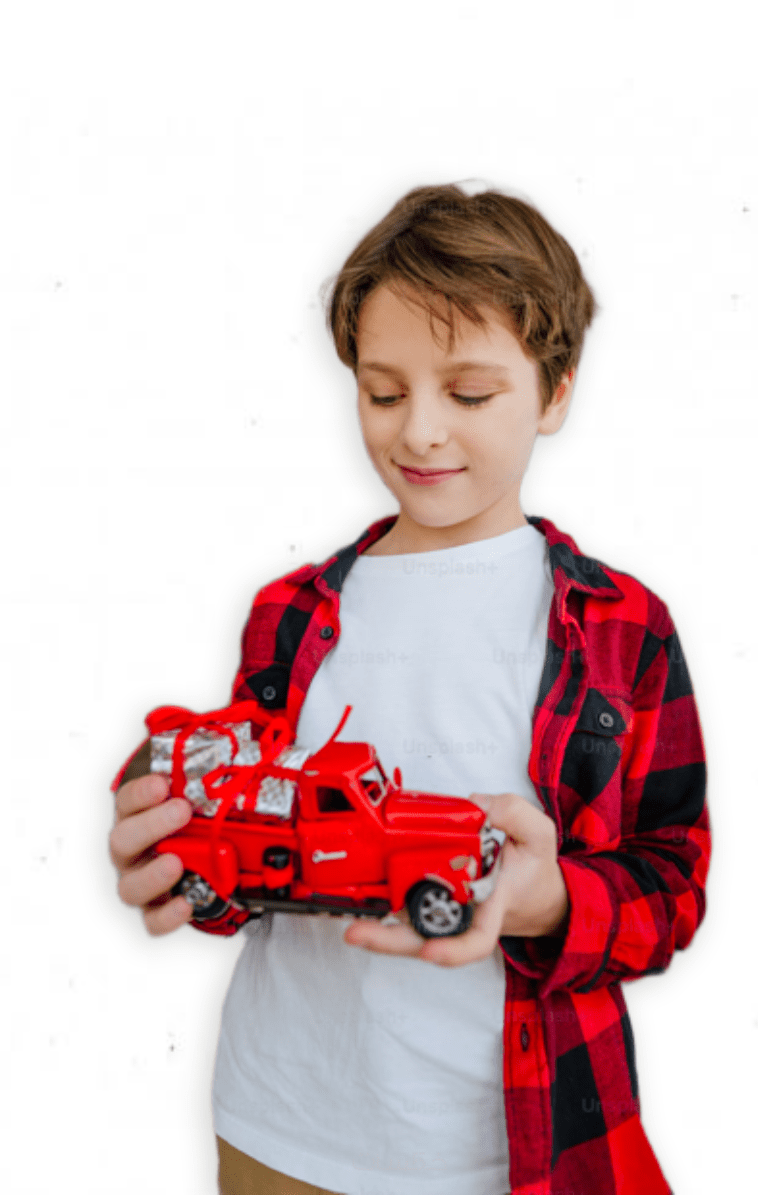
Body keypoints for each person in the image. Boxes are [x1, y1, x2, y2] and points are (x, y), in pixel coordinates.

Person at [109, 183, 710, 1195]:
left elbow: (672, 882)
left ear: (555, 391)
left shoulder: (620, 626)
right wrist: (173, 859)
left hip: (513, 1149)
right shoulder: (288, 613)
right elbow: (256, 863)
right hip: (280, 1123)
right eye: (384, 393)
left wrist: (550, 901)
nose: (420, 431)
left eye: (468, 395)